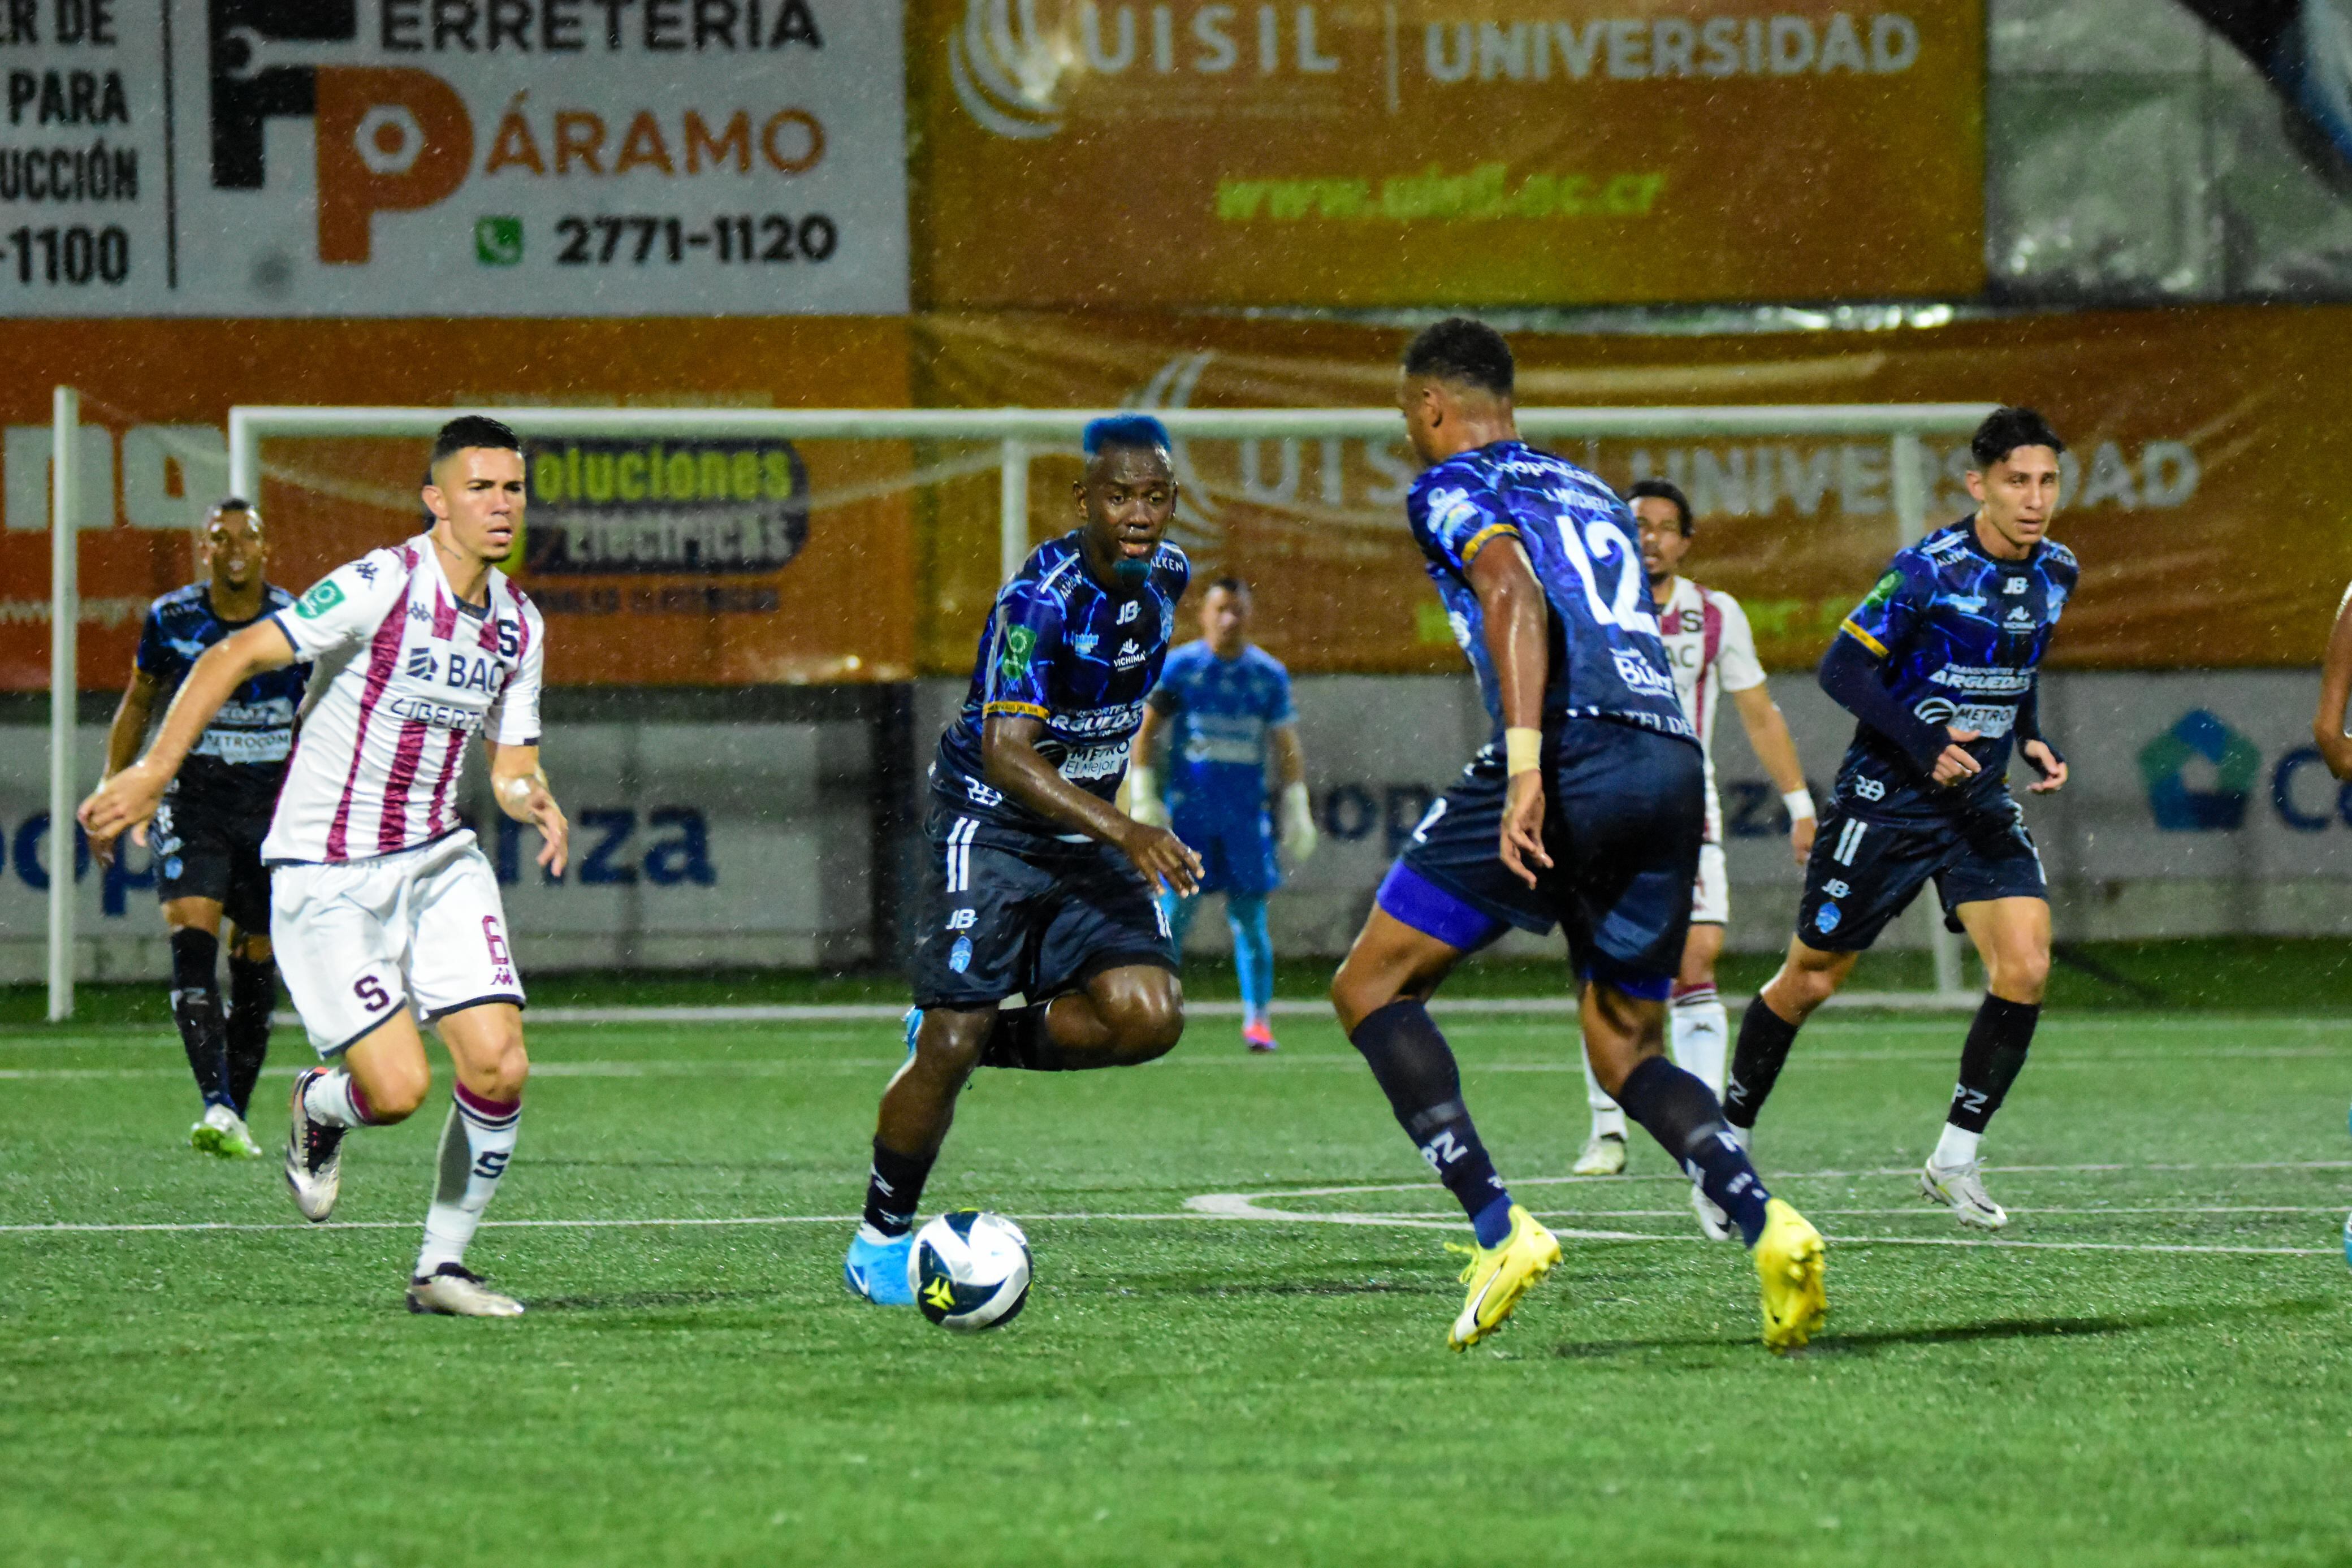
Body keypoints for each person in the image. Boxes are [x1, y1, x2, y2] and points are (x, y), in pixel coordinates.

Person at [1325, 318, 1826, 1353]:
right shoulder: (1593, 491)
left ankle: (1500, 1224)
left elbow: (1512, 593)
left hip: (1569, 754)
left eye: (1405, 415)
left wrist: (1522, 769)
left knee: (1370, 986)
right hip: (1668, 759)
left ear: (1430, 407)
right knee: (1625, 1045)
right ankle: (1766, 1219)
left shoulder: (1451, 486)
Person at [80, 415, 569, 1318]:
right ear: (437, 499)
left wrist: (527, 792)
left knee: (498, 1065)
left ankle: (442, 1269)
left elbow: (507, 765)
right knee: (398, 1090)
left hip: (438, 859)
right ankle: (321, 1104)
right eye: (481, 487)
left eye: (513, 489)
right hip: (323, 871)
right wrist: (150, 771)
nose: (501, 506)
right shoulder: (382, 583)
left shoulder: (519, 627)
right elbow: (233, 652)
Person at [844, 415, 1202, 1306]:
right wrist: (1128, 828)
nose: (1139, 514)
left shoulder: (1170, 576)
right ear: (1084, 500)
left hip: (1084, 830)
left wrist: (1117, 810)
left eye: (1155, 497)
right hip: (992, 823)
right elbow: (1008, 751)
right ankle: (879, 1239)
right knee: (950, 1039)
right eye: (1119, 496)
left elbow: (1123, 691)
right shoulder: (1037, 601)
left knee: (1149, 1015)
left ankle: (964, 1040)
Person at [1725, 407, 2076, 1231]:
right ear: (1978, 485)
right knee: (1812, 977)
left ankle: (1955, 1157)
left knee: (2024, 966)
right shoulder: (1928, 569)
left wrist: (2026, 735)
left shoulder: (2058, 570)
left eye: (2047, 481)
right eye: (2016, 481)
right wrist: (1925, 742)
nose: (2034, 499)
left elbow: (2017, 663)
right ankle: (1726, 1140)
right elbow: (1841, 668)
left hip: (1977, 802)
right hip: (1888, 797)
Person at [1571, 481, 1818, 1238]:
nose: (1646, 538)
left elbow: (1759, 711)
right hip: (1602, 802)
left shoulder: (1715, 615)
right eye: (1633, 525)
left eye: (1662, 527)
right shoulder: (1585, 603)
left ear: (1686, 540)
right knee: (1609, 967)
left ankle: (1704, 1143)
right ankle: (1607, 1126)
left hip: (1686, 805)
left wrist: (1801, 802)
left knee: (1697, 956)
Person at [90, 500, 305, 1160]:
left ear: (267, 548)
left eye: (248, 535)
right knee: (191, 939)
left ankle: (232, 1108)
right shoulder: (173, 619)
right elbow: (139, 703)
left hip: (271, 810)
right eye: (221, 537)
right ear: (202, 549)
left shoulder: (298, 621)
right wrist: (113, 785)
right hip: (194, 801)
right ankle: (214, 1100)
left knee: (256, 960)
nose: (235, 547)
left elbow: (318, 714)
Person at [1128, 577, 1317, 1052]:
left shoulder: (1266, 675)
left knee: (1250, 917)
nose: (1230, 620)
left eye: (1239, 611)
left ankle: (1257, 1021)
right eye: (1222, 610)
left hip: (1243, 817)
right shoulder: (1182, 668)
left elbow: (1285, 743)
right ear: (1205, 615)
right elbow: (1146, 731)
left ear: (1249, 617)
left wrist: (1296, 802)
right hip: (1191, 815)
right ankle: (1154, 1011)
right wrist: (1144, 792)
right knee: (1175, 913)